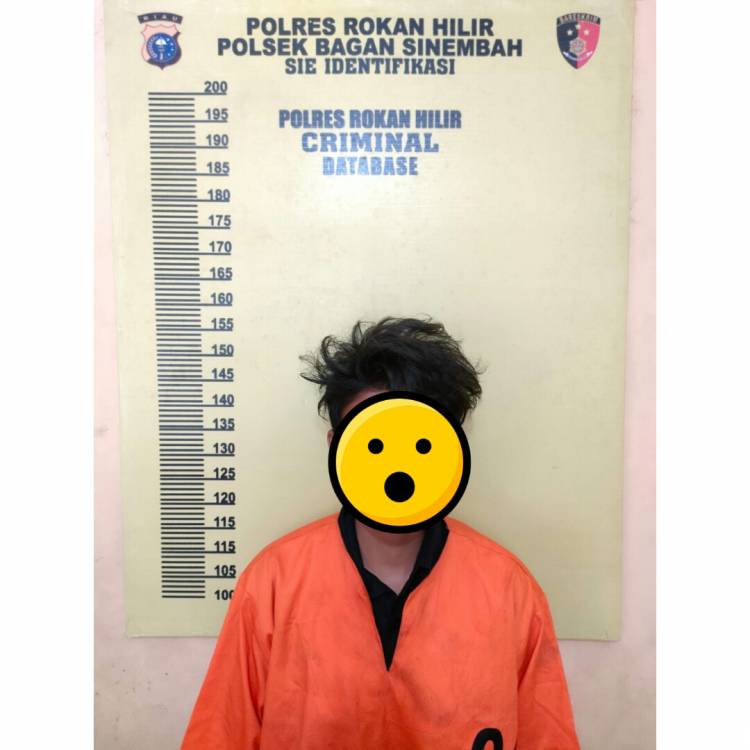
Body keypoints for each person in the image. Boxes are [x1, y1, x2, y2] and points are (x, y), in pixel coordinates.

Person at [181, 316, 580, 749]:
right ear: (335, 447)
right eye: (374, 443)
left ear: (450, 450)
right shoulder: (272, 583)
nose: (398, 469)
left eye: (420, 444)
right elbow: (219, 735)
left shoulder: (510, 589)